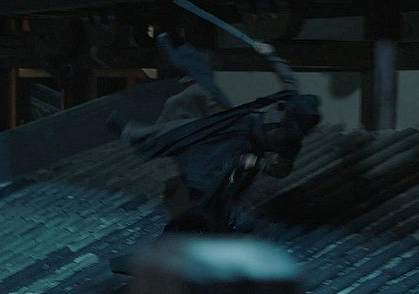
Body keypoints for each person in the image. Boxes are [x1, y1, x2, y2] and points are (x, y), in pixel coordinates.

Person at [111, 32, 321, 233]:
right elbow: (287, 76)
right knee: (197, 110)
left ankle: (206, 217)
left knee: (214, 182)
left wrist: (257, 163)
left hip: (241, 149)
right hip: (238, 122)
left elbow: (281, 170)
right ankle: (132, 131)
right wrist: (269, 53)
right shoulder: (291, 102)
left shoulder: (290, 142)